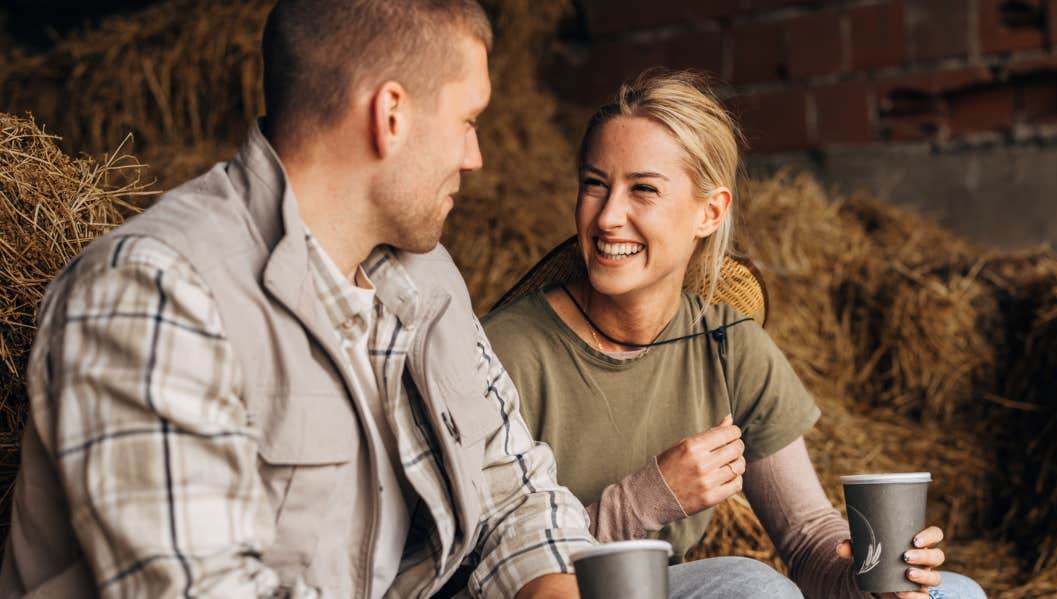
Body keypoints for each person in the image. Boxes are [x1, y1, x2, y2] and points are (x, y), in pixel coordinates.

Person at [0, 1, 596, 597]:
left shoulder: (427, 276)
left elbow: (518, 491)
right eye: (469, 121)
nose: (476, 156)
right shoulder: (153, 292)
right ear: (390, 115)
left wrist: (548, 584)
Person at [482, 71, 989, 599]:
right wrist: (647, 499)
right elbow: (486, 565)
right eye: (594, 184)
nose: (608, 216)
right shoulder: (504, 353)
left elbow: (808, 538)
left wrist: (874, 577)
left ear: (710, 211)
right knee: (753, 588)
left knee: (955, 594)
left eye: (644, 190)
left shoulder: (727, 344)